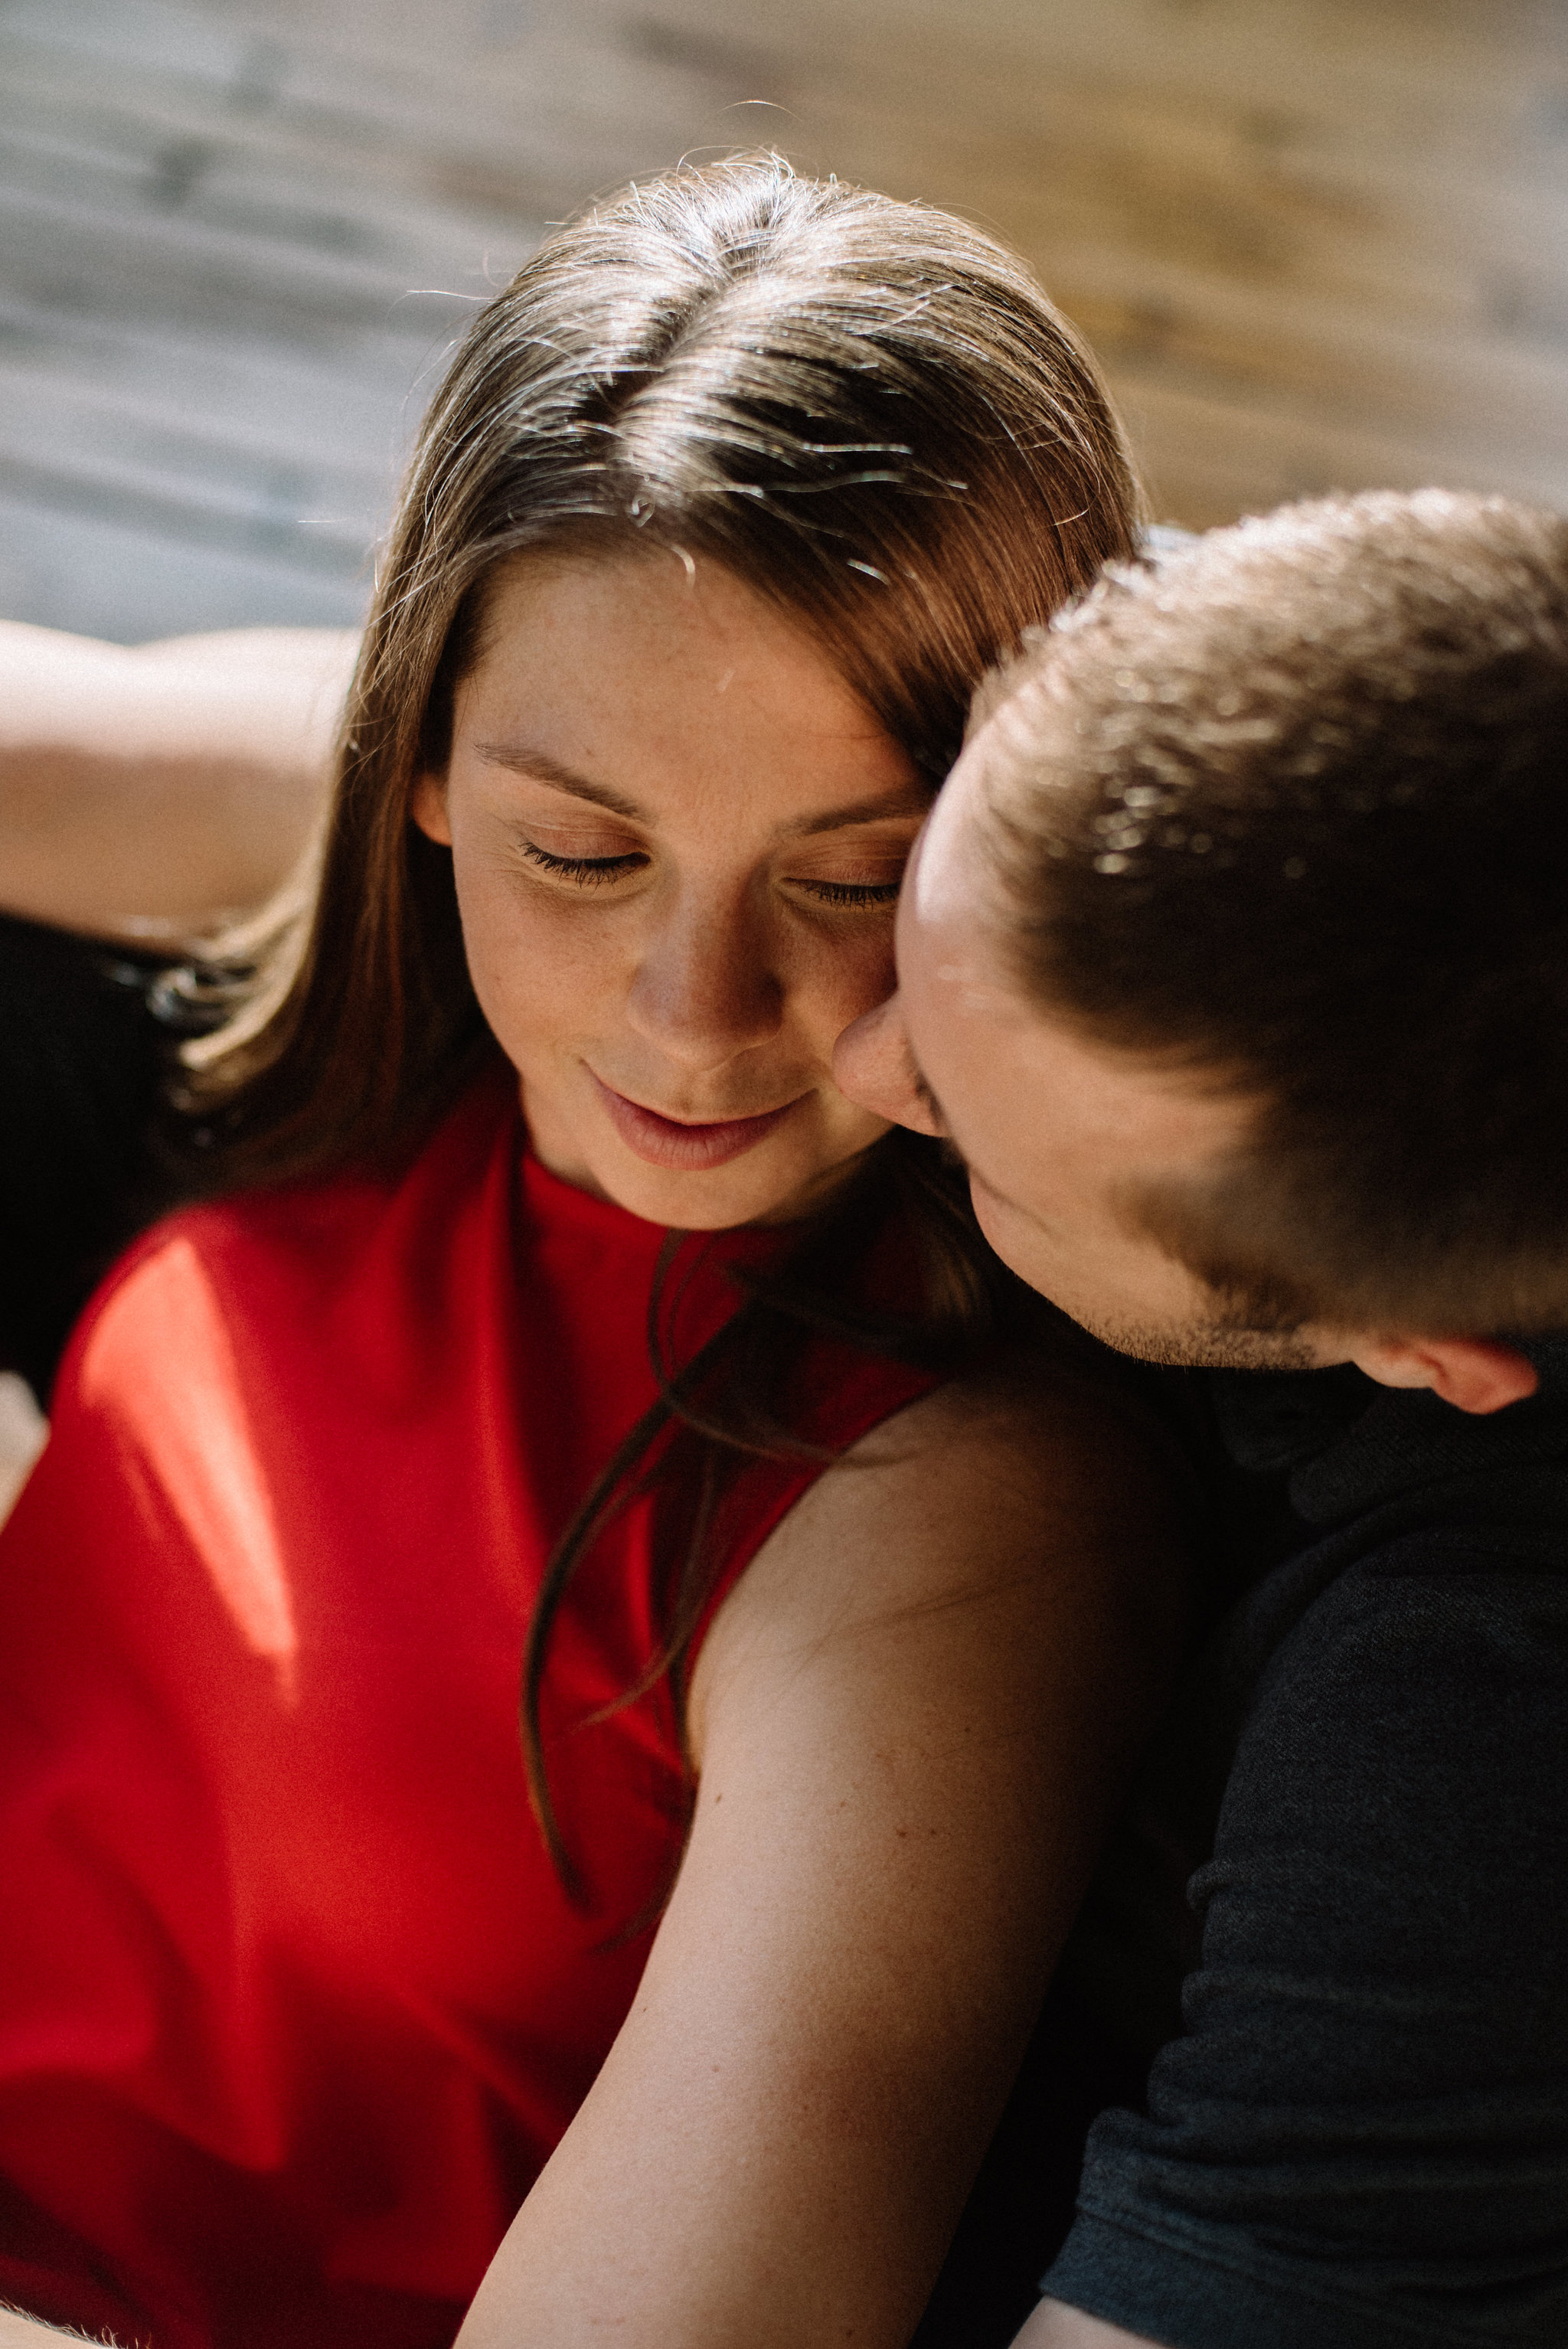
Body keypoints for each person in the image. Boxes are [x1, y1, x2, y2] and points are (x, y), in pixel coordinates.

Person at [0, 158, 1193, 2349]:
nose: (691, 1008)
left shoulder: (949, 1515)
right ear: (428, 753)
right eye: (583, 850)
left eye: (855, 878)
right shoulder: (375, 883)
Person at [833, 488, 1568, 2347]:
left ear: (1420, 1348)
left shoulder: (1474, 1740)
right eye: (891, 890)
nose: (854, 1063)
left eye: (977, 1142)